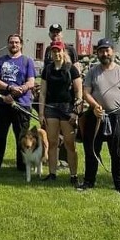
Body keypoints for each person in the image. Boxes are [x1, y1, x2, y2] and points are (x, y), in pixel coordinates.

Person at [79, 38, 120, 194]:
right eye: (101, 51)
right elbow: (86, 93)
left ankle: (119, 184)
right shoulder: (93, 72)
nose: (104, 53)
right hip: (96, 116)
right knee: (92, 150)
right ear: (97, 53)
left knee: (118, 153)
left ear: (112, 51)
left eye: (107, 50)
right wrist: (94, 106)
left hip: (116, 117)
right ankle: (88, 182)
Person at [0, 34, 36, 171]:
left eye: (16, 42)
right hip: (3, 103)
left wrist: (19, 91)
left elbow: (31, 81)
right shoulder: (1, 61)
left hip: (21, 104)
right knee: (0, 134)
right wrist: (9, 88)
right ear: (7, 44)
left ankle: (22, 166)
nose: (13, 45)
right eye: (11, 42)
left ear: (21, 44)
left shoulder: (27, 61)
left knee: (22, 137)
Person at [37, 40, 82, 185]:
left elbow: (78, 92)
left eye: (58, 51)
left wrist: (76, 112)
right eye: (53, 51)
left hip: (67, 108)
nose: (56, 54)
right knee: (52, 142)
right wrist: (41, 113)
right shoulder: (48, 69)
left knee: (69, 143)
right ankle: (52, 173)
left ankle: (73, 175)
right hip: (51, 108)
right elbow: (43, 92)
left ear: (63, 52)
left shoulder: (71, 69)